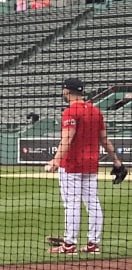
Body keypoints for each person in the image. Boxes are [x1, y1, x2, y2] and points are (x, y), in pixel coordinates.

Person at [46, 76, 125, 254]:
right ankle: (93, 244)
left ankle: (69, 245)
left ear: (67, 91)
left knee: (72, 204)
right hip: (91, 165)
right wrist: (116, 162)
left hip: (72, 165)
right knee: (93, 203)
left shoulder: (70, 111)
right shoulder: (96, 111)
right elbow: (104, 139)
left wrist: (56, 160)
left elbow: (67, 137)